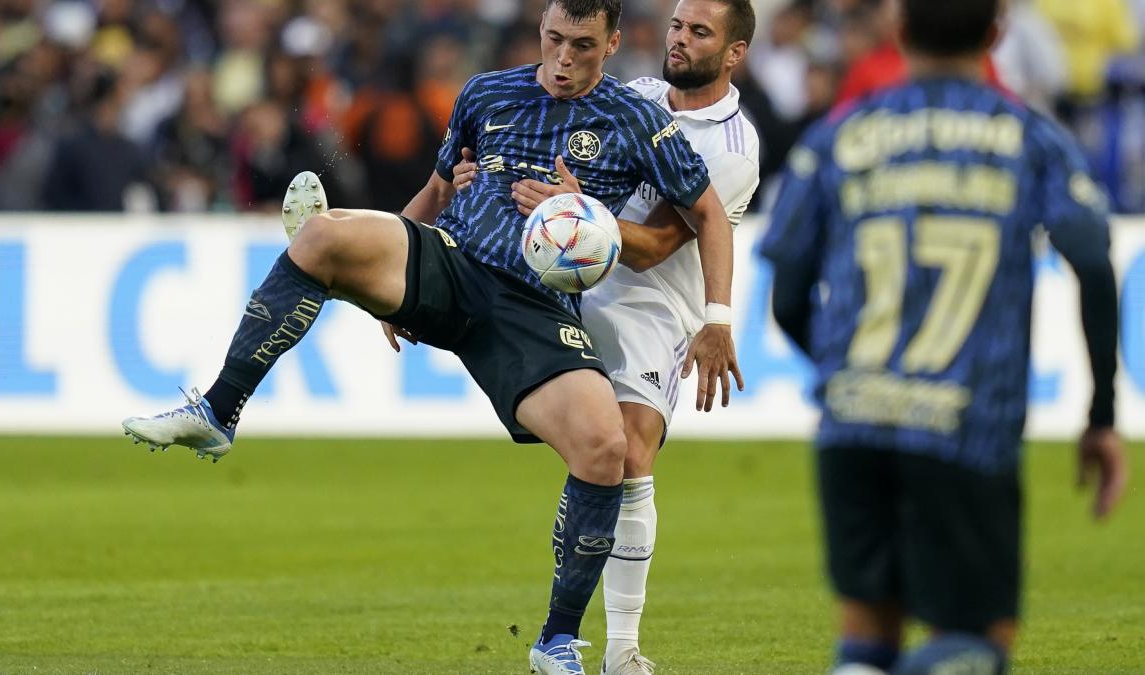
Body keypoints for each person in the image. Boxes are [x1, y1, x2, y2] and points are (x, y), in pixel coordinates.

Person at [121, 2, 741, 673]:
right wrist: (397, 261)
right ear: (540, 31)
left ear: (613, 43)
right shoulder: (484, 92)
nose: (564, 59)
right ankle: (218, 409)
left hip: (533, 310)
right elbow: (441, 186)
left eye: (583, 47)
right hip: (450, 262)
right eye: (555, 40)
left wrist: (713, 315)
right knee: (323, 234)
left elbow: (707, 213)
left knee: (604, 447)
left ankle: (557, 640)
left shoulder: (635, 119)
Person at [758, 0, 1129, 673]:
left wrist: (847, 376)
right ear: (996, 32)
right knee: (975, 640)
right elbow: (1096, 267)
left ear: (897, 30)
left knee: (867, 631)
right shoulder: (1030, 137)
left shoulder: (840, 134)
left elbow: (785, 292)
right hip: (968, 422)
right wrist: (1101, 415)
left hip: (855, 423)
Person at [447, 1, 758, 672]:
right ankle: (570, 636)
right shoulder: (638, 95)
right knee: (598, 450)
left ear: (733, 53)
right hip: (577, 280)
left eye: (700, 32)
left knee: (632, 450)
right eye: (677, 25)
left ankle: (620, 648)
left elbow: (656, 247)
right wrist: (483, 182)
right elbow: (537, 162)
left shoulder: (732, 147)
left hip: (650, 305)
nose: (679, 39)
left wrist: (716, 318)